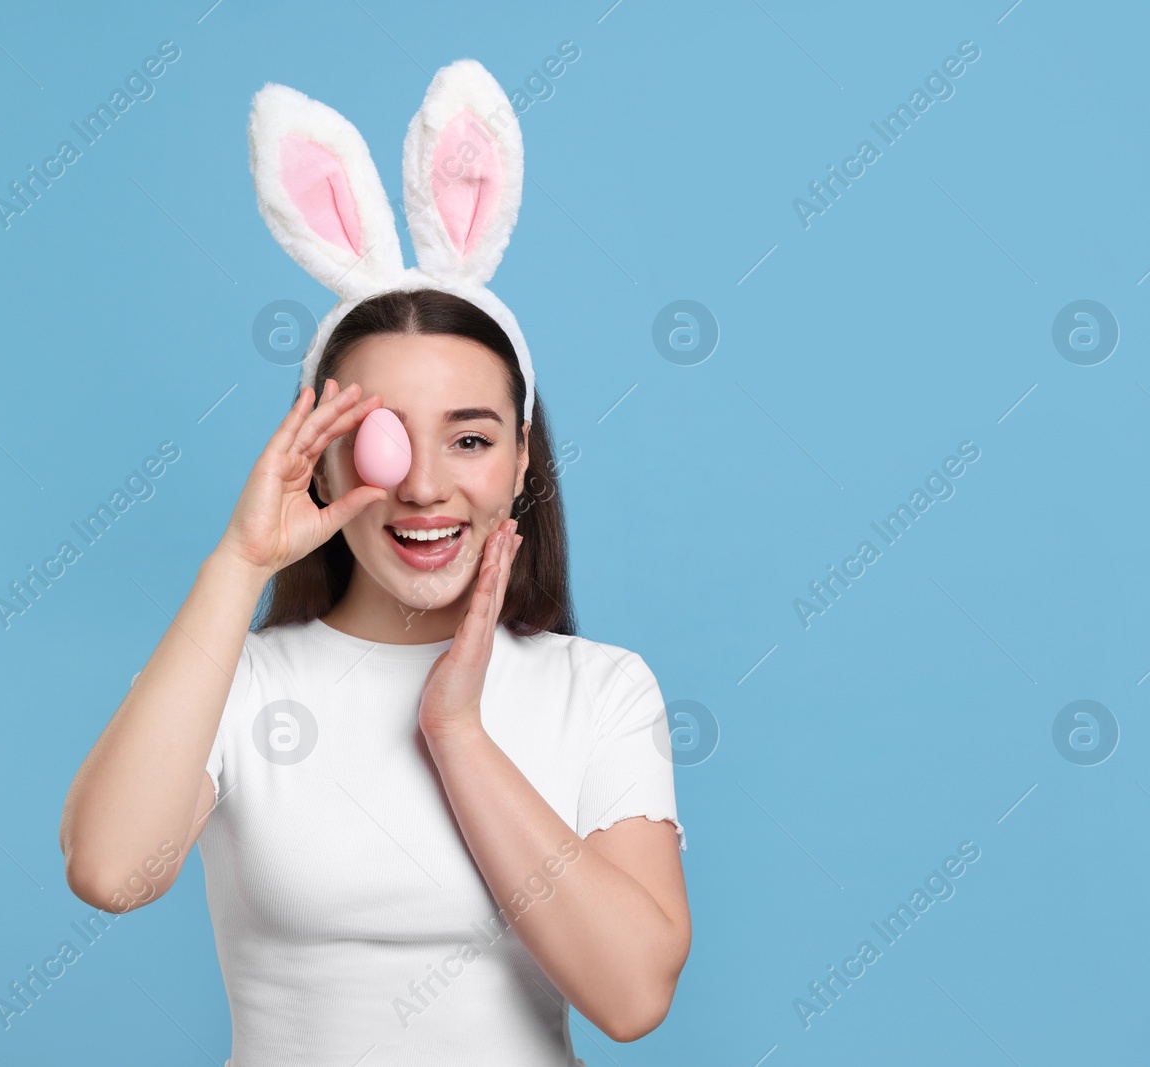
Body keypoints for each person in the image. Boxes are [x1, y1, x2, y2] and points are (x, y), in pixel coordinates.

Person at [60, 59, 690, 1066]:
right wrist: (238, 559)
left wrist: (456, 731)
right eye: (384, 436)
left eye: (471, 439)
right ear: (318, 452)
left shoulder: (600, 689)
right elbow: (110, 869)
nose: (425, 486)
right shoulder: (239, 681)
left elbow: (629, 993)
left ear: (522, 456)